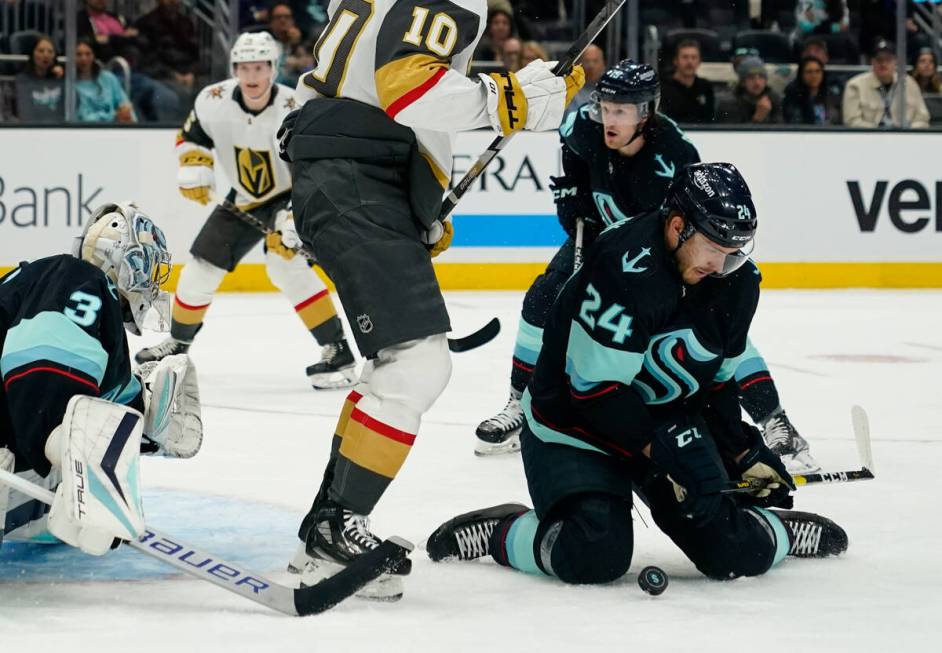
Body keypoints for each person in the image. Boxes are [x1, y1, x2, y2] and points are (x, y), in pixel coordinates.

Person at [276, 0, 584, 600]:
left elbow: (368, 86)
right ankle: (333, 532)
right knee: (417, 363)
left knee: (395, 367)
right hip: (354, 176)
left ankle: (327, 529)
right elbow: (406, 86)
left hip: (349, 172)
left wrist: (417, 196)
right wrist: (509, 98)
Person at [427, 163, 849, 587]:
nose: (722, 266)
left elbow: (719, 383)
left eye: (734, 251)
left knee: (736, 552)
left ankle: (780, 530)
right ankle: (505, 532)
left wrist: (741, 452)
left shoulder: (737, 283)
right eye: (713, 248)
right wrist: (671, 454)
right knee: (592, 554)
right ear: (678, 226)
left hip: (662, 423)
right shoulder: (623, 266)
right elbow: (594, 394)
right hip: (573, 424)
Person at [476, 61, 817, 475]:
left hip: (658, 255)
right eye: (606, 106)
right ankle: (517, 402)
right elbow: (572, 158)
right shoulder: (582, 127)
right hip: (600, 238)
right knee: (544, 298)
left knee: (714, 324)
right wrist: (572, 195)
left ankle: (773, 418)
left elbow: (681, 229)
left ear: (647, 111)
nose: (609, 118)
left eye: (622, 110)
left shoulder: (675, 155)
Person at [134, 32, 356, 391]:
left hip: (291, 195)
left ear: (273, 69)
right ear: (234, 69)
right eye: (243, 67)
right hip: (244, 198)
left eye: (259, 67)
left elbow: (315, 165)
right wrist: (195, 162)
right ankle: (178, 343)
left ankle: (338, 350)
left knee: (286, 267)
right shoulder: (212, 100)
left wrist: (294, 216)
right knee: (199, 271)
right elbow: (192, 136)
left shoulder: (294, 104)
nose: (251, 76)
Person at [1, 202, 201, 551]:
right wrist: (95, 483)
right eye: (148, 266)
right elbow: (42, 374)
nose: (152, 281)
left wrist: (144, 420)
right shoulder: (77, 278)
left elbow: (97, 412)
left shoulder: (94, 321)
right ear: (123, 260)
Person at [843, 39, 929, 128]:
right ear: (872, 62)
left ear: (895, 61)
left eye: (888, 59)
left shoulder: (909, 83)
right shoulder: (855, 86)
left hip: (905, 138)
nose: (883, 64)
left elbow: (923, 118)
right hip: (868, 139)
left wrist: (907, 130)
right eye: (879, 60)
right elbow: (851, 121)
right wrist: (880, 131)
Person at [74, 38, 135, 123]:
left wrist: (129, 117)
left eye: (88, 54)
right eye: (78, 54)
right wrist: (114, 116)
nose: (83, 58)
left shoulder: (109, 78)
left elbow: (125, 104)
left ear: (94, 55)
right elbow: (81, 119)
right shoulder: (69, 83)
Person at [659, 39, 715, 124]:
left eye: (694, 57)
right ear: (675, 61)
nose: (689, 62)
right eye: (685, 57)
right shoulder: (663, 89)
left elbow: (711, 120)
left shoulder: (706, 87)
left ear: (699, 62)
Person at [14, 34, 65, 123]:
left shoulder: (61, 79)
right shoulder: (22, 80)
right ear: (32, 54)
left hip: (58, 129)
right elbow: (24, 112)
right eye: (41, 51)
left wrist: (63, 78)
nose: (46, 55)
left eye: (50, 52)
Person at [718, 55, 781, 124]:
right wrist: (757, 119)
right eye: (751, 78)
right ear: (743, 82)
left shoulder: (774, 98)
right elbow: (730, 133)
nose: (757, 83)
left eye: (761, 77)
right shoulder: (729, 103)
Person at [783, 56, 842, 125]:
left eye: (817, 71)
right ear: (801, 74)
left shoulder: (831, 95)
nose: (814, 76)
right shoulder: (792, 96)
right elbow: (794, 121)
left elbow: (838, 120)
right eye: (809, 72)